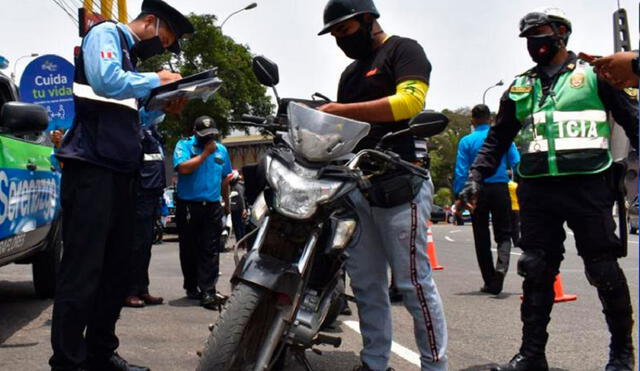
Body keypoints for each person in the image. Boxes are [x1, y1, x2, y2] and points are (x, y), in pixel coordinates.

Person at [459, 7, 638, 371]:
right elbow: (497, 138)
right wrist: (476, 176)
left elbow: (631, 119)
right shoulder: (521, 85)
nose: (533, 43)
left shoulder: (595, 75)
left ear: (561, 33)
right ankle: (531, 354)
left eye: (539, 33)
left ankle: (622, 353)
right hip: (538, 190)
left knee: (602, 268)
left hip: (589, 185)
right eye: (528, 37)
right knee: (536, 268)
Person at [51, 0, 192, 369]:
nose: (163, 50)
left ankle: (101, 353)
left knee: (117, 270)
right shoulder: (105, 34)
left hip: (120, 171)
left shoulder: (129, 61)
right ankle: (66, 361)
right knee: (83, 269)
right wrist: (155, 80)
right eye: (165, 40)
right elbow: (104, 80)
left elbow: (133, 115)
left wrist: (163, 104)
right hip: (91, 169)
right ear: (151, 21)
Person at [318, 1, 447, 370]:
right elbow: (345, 131)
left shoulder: (404, 50)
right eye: (335, 35)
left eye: (344, 30)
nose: (340, 41)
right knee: (366, 284)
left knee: (413, 285)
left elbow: (410, 102)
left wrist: (339, 112)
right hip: (357, 187)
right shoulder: (350, 74)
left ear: (366, 20)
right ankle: (374, 362)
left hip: (400, 181)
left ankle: (435, 365)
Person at [453, 104, 520, 295]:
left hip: (477, 191)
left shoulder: (466, 141)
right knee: (504, 233)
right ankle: (501, 269)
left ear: (472, 121)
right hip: (500, 188)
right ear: (490, 119)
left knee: (481, 236)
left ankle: (489, 280)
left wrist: (460, 195)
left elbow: (461, 171)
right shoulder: (503, 137)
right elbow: (516, 162)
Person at [173, 116, 232, 310]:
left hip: (213, 205)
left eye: (211, 135)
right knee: (189, 249)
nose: (208, 139)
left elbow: (225, 179)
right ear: (194, 133)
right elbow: (182, 168)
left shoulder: (222, 150)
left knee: (210, 248)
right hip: (189, 206)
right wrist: (205, 154)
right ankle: (191, 286)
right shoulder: (184, 146)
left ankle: (208, 290)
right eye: (203, 136)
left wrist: (227, 204)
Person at [124, 122, 166, 308]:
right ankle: (129, 292)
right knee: (135, 247)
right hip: (138, 196)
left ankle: (142, 289)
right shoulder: (136, 130)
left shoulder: (154, 133)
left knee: (145, 248)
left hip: (153, 196)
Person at [228, 170, 248, 246]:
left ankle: (240, 243)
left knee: (238, 227)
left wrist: (243, 209)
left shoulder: (237, 187)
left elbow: (241, 198)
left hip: (238, 210)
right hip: (235, 209)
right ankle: (241, 243)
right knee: (239, 227)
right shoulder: (235, 186)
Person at [507, 170, 521, 248]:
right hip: (516, 207)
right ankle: (516, 241)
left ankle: (507, 241)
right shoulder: (515, 185)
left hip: (507, 208)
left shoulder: (504, 186)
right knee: (516, 226)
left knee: (507, 225)